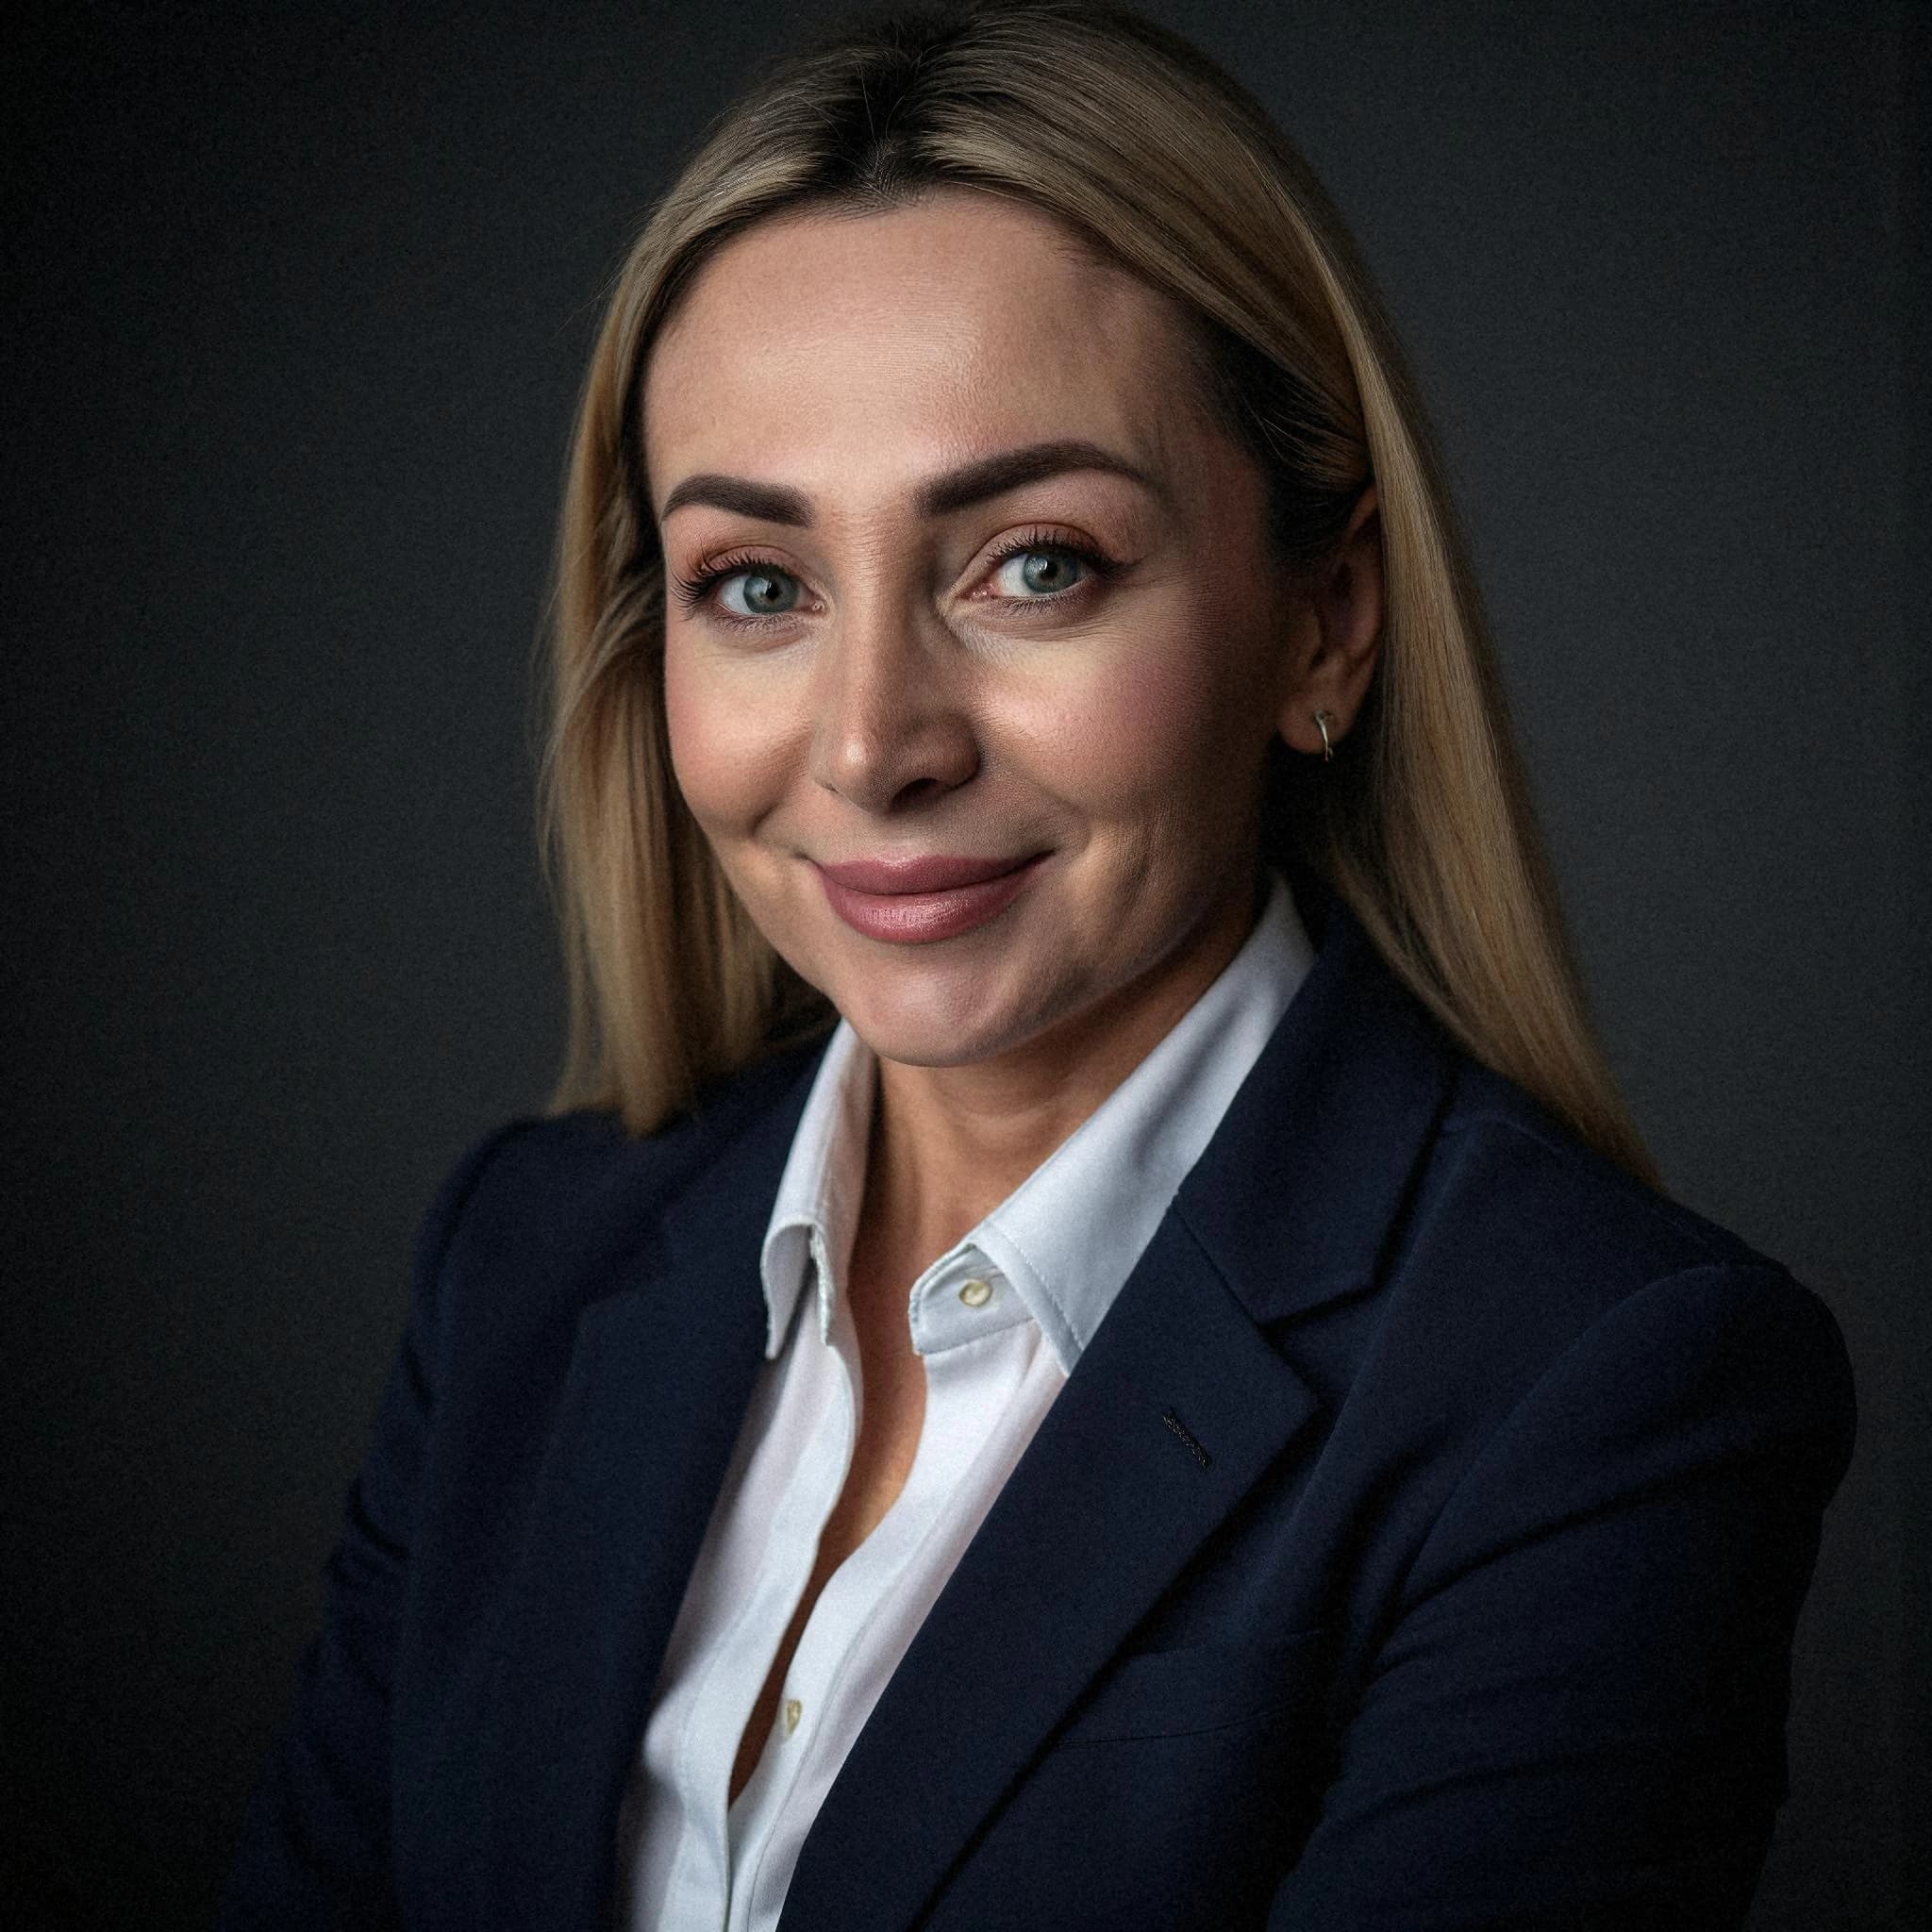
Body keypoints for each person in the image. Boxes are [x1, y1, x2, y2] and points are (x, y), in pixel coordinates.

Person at [219, 3, 1856, 1926]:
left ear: (1324, 626)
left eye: (1033, 563)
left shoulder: (1593, 1389)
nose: (869, 742)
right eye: (759, 585)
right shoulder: (524, 1261)